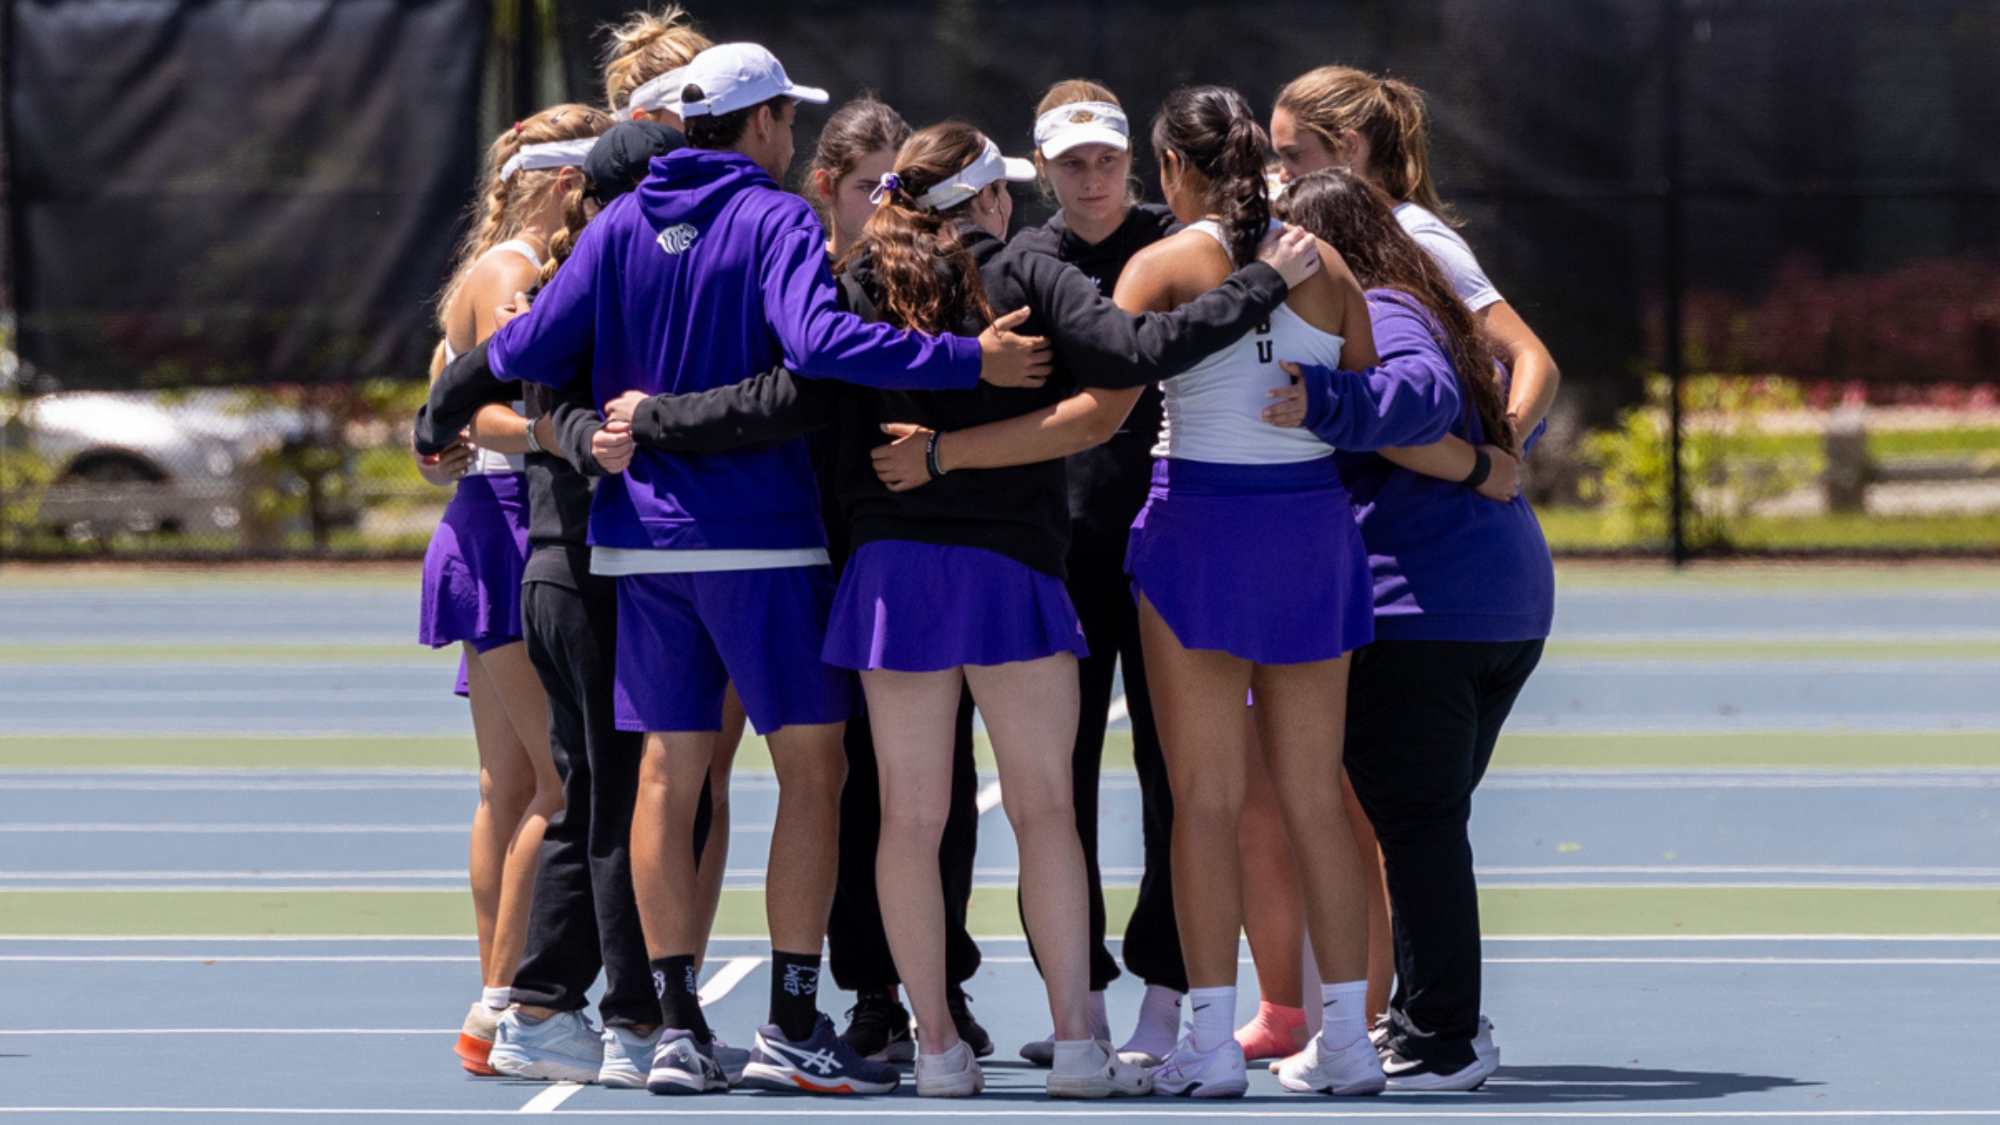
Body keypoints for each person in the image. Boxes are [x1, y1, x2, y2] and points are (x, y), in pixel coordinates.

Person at [599, 117, 1314, 1097]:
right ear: (987, 197)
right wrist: (1260, 280)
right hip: (1012, 571)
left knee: (906, 818)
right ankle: (1075, 1046)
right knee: (1045, 811)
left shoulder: (852, 284)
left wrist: (653, 420)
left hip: (892, 578)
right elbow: (1131, 350)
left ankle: (934, 1046)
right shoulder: (1029, 274)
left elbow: (783, 399)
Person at [479, 42, 1051, 1096]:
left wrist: (590, 404)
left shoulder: (614, 226)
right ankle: (792, 1017)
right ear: (762, 124)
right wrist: (969, 361)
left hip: (639, 542)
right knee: (813, 772)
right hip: (768, 537)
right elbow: (821, 343)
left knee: (665, 774)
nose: (788, 135)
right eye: (785, 118)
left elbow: (521, 354)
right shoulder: (776, 218)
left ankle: (672, 1025)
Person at [1109, 86, 1459, 1099]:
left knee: (1204, 803)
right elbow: (1358, 400)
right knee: (1315, 798)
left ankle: (1208, 1044)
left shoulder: (1162, 264)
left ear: (1173, 168)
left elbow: (1099, 396)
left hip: (1200, 535)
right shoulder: (1334, 265)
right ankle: (1345, 1040)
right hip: (1310, 533)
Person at [1263, 168, 1554, 1092]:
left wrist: (1324, 404)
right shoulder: (1427, 302)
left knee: (1419, 822)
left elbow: (1418, 400)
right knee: (1424, 820)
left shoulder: (1385, 307)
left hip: (1425, 606)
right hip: (1494, 599)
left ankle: (1442, 1038)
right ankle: (1434, 1013)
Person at [415, 102, 608, 1076]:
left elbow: (436, 426)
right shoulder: (513, 273)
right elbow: (506, 400)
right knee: (552, 782)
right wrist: (557, 436)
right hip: (503, 532)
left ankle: (488, 1006)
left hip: (482, 527)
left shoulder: (488, 268)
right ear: (568, 177)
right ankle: (508, 999)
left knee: (510, 786)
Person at [800, 95, 993, 1064]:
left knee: (936, 786)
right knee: (854, 782)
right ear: (827, 187)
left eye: (898, 184)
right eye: (869, 184)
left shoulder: (950, 278)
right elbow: (799, 377)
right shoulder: (812, 278)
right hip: (841, 547)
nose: (884, 202)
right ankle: (870, 987)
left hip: (925, 549)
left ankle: (935, 983)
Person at [1001, 79, 1186, 1070]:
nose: (1090, 176)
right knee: (1051, 789)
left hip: (1163, 547)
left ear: (1131, 159)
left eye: (1105, 157)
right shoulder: (1023, 262)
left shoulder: (1177, 247)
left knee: (1174, 776)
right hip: (1053, 556)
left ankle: (1166, 1000)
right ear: (1041, 168)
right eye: (1070, 161)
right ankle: (1077, 1006)